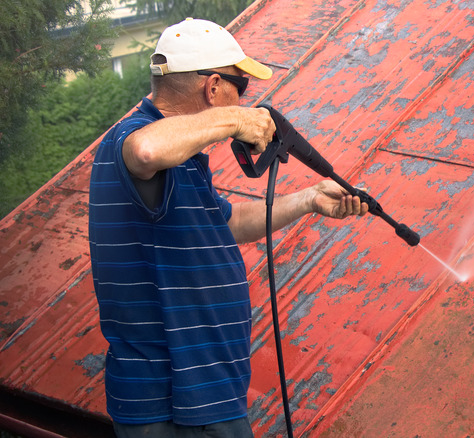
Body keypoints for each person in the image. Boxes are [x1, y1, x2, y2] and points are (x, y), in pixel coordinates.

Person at [88, 18, 368, 437]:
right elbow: (145, 150)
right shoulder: (135, 137)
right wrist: (236, 121)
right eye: (242, 88)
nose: (245, 101)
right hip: (178, 401)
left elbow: (228, 223)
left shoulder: (184, 157)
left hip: (205, 392)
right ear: (213, 86)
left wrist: (309, 199)